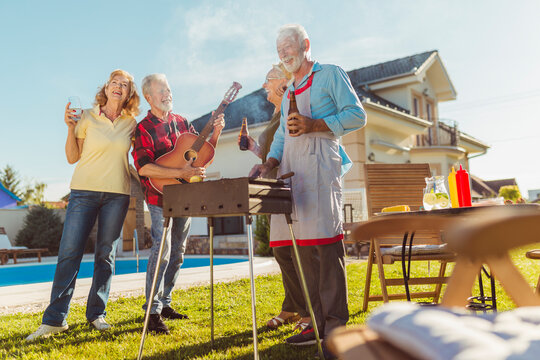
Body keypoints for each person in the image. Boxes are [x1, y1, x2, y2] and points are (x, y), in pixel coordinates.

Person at [249, 24, 366, 351]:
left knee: (325, 250)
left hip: (319, 169)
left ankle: (335, 328)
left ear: (306, 45)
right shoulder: (288, 93)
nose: (285, 53)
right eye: (279, 50)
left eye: (289, 46)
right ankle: (313, 323)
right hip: (292, 174)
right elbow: (284, 136)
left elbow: (357, 115)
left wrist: (316, 125)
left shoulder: (330, 75)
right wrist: (269, 163)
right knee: (302, 253)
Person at [26, 69, 140, 341]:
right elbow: (71, 157)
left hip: (117, 194)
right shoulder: (87, 116)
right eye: (115, 82)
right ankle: (55, 320)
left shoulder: (131, 123)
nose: (118, 87)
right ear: (107, 86)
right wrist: (69, 128)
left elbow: (141, 158)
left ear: (129, 93)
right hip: (83, 192)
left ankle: (96, 314)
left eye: (124, 84)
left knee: (106, 256)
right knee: (69, 252)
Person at [132, 74, 225, 335]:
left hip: (185, 196)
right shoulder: (143, 128)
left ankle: (165, 303)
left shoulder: (183, 123)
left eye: (169, 89)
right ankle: (151, 312)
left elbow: (201, 156)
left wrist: (215, 132)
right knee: (161, 252)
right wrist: (179, 173)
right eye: (161, 90)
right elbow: (144, 168)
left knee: (178, 253)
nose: (167, 94)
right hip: (158, 196)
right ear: (149, 97)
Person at [240, 63, 312, 331]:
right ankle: (292, 306)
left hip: (292, 185)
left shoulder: (296, 105)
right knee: (282, 251)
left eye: (268, 79)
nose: (263, 86)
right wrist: (253, 148)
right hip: (275, 187)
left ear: (285, 81)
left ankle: (306, 311)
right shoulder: (276, 113)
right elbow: (273, 151)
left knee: (292, 251)